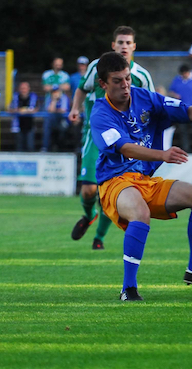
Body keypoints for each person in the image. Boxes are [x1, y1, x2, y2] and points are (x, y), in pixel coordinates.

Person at [89, 51, 192, 301]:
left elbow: (185, 112)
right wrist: (162, 154)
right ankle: (128, 288)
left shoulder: (144, 97)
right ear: (103, 84)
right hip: (115, 182)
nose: (125, 85)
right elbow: (124, 148)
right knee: (140, 213)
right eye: (118, 81)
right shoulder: (100, 113)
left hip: (145, 181)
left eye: (127, 78)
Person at [68, 26, 156, 250]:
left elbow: (152, 104)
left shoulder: (142, 76)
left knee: (113, 191)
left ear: (134, 46)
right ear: (113, 45)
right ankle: (89, 215)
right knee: (88, 190)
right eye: (120, 42)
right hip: (95, 137)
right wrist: (75, 108)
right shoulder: (96, 67)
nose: (124, 46)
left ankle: (99, 237)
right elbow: (82, 88)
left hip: (124, 143)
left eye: (128, 43)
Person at [168, 64, 192, 153]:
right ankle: (186, 149)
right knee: (183, 131)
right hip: (182, 110)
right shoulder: (177, 79)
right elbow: (171, 91)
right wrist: (175, 95)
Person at [8, 81, 38, 152]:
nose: (23, 90)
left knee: (30, 146)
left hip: (30, 125)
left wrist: (24, 111)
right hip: (18, 125)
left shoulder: (33, 97)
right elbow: (10, 109)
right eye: (22, 88)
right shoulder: (15, 97)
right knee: (19, 147)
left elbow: (36, 109)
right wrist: (19, 110)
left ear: (28, 89)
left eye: (25, 88)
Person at [41, 87, 70, 152]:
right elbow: (50, 110)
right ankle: (46, 147)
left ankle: (61, 149)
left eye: (57, 92)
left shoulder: (64, 97)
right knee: (47, 124)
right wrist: (54, 100)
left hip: (63, 119)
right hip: (52, 120)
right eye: (54, 92)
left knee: (63, 128)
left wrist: (55, 110)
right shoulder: (49, 98)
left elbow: (63, 110)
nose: (55, 93)